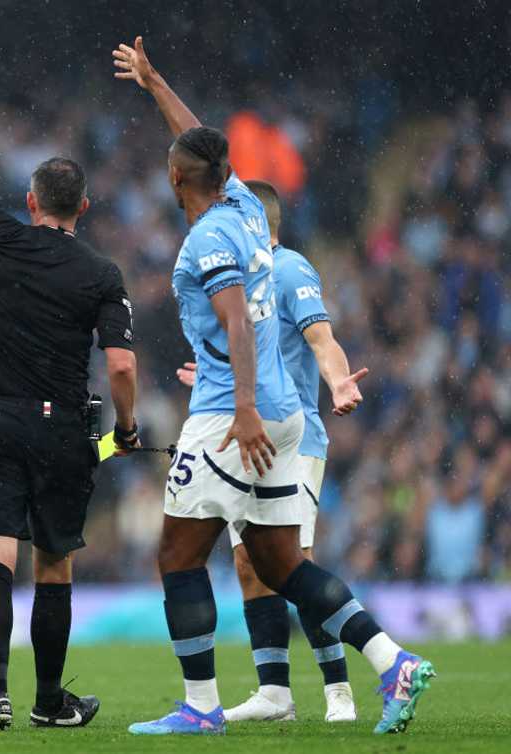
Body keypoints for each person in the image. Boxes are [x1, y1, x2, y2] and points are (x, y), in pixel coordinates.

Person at [112, 36, 434, 736]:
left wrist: (245, 408)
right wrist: (155, 81)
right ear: (223, 174)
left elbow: (234, 321)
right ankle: (392, 661)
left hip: (235, 414)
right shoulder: (248, 212)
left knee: (177, 554)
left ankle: (200, 708)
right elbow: (199, 143)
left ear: (174, 181)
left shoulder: (206, 240)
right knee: (281, 561)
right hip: (287, 412)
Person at [0, 51, 140, 732]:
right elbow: (120, 368)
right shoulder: (102, 273)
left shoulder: (3, 236)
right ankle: (50, 702)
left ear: (30, 203)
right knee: (53, 566)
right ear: (82, 206)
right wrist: (128, 426)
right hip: (61, 431)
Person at [176, 180, 365, 722]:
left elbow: (321, 339)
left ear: (258, 221)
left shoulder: (289, 270)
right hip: (249, 440)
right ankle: (275, 694)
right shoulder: (243, 282)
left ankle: (338, 691)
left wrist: (338, 383)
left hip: (295, 438)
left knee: (292, 562)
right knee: (249, 563)